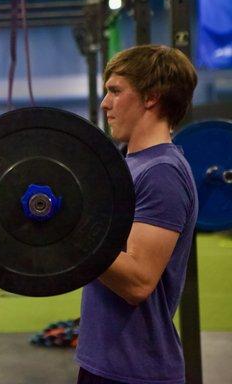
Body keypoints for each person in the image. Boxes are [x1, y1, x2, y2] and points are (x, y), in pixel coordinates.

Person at [75, 45, 199, 384]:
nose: (105, 104)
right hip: (103, 361)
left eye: (115, 91)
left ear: (151, 97)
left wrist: (72, 231)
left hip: (136, 372)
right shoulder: (127, 165)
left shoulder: (162, 173)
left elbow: (138, 282)